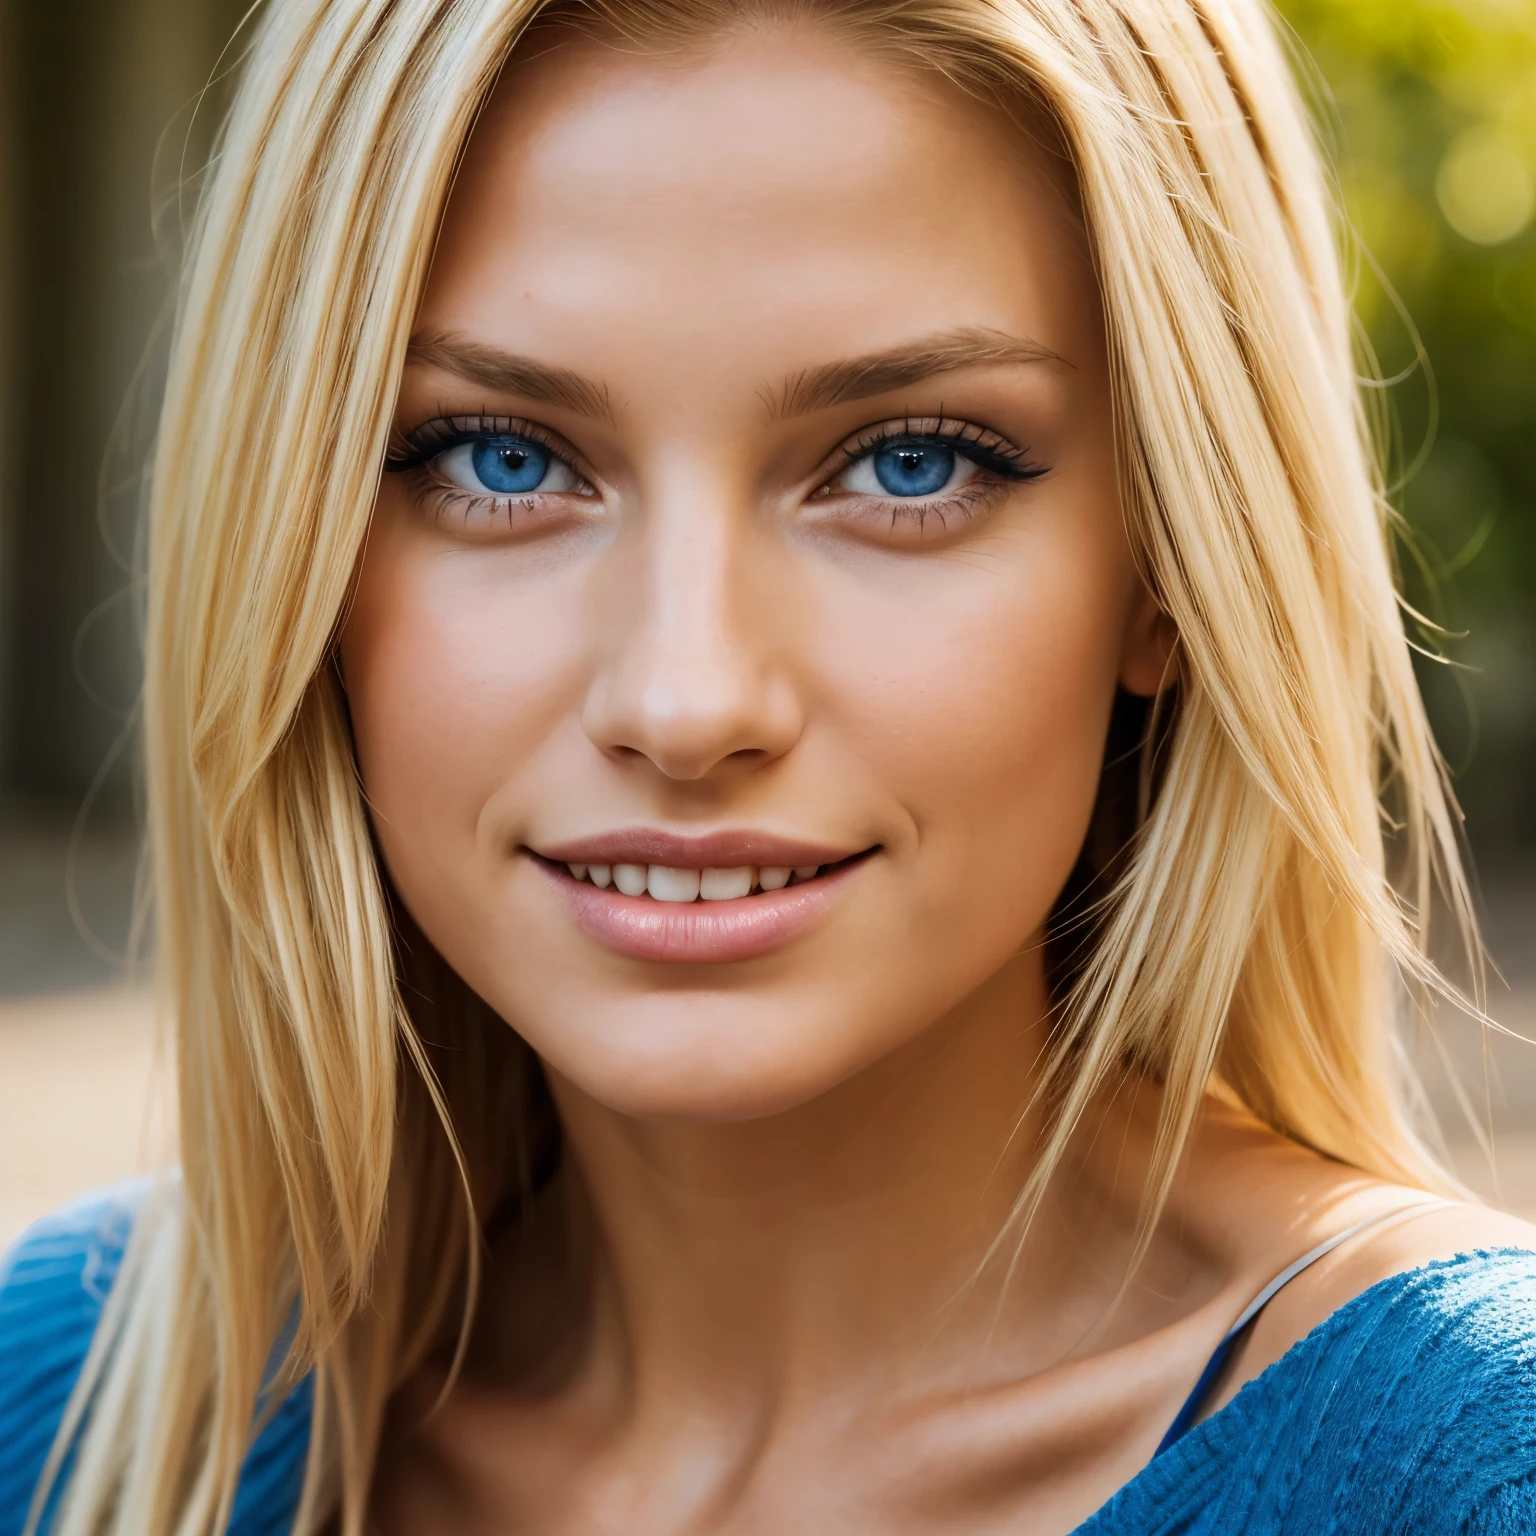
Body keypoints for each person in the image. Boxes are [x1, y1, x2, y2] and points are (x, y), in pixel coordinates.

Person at [3, 0, 1534, 1531]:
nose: (685, 701)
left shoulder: (1466, 1472)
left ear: (1170, 567)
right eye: (501, 456)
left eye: (909, 461)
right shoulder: (70, 1412)